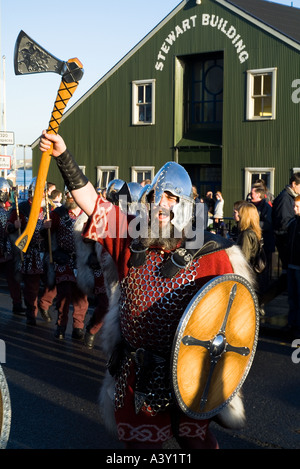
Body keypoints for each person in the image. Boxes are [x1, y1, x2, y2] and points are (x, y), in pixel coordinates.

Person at [39, 130, 255, 450]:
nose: (161, 204)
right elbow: (92, 203)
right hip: (139, 372)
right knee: (142, 450)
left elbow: (232, 317)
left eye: (171, 198)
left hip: (190, 372)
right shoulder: (129, 236)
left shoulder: (211, 255)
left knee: (196, 442)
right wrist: (63, 155)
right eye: (156, 196)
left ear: (185, 206)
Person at [7, 178, 53, 325]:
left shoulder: (50, 209)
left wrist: (49, 228)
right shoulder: (21, 208)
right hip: (29, 252)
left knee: (53, 283)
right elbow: (8, 227)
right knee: (31, 287)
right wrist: (14, 225)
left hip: (46, 251)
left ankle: (44, 304)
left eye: (44, 192)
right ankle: (31, 313)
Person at [46, 191, 89, 340]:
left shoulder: (87, 212)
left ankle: (78, 327)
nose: (70, 197)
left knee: (81, 296)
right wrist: (46, 228)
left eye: (72, 194)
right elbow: (45, 236)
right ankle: (61, 326)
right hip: (64, 258)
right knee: (64, 295)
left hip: (82, 260)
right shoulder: (57, 213)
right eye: (67, 194)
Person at [0, 178, 25, 314]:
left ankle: (17, 304)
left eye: (5, 191)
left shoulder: (11, 209)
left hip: (8, 248)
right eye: (2, 191)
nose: (4, 193)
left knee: (13, 278)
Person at [286, 195, 300, 339]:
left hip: (297, 264)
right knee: (292, 297)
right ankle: (292, 324)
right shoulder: (293, 223)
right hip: (291, 264)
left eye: (297, 206)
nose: (294, 209)